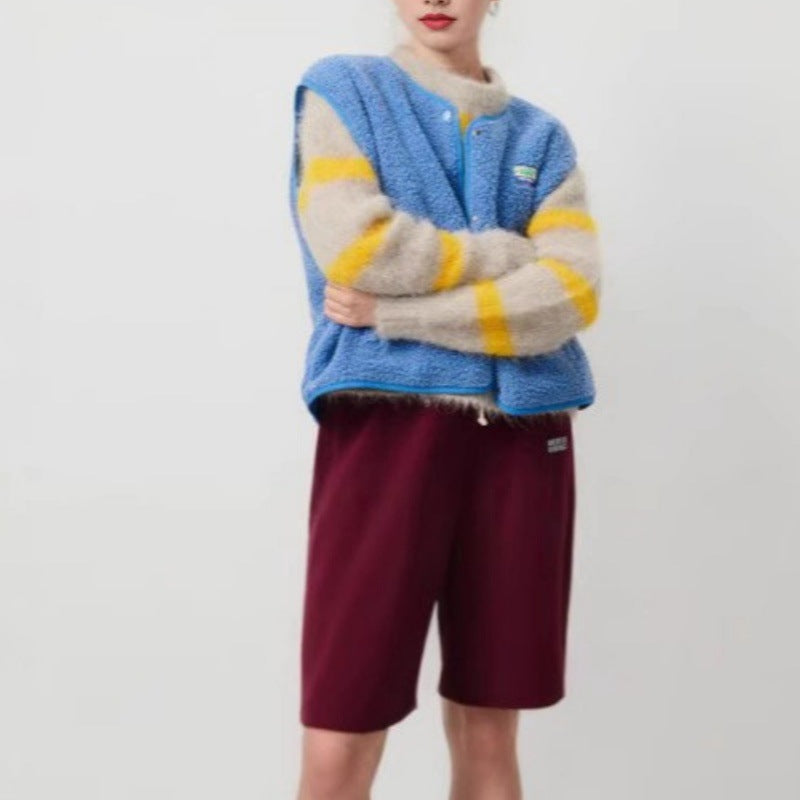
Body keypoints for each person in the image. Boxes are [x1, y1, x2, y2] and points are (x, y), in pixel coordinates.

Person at [287, 1, 603, 797]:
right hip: (386, 429)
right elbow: (358, 248)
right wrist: (510, 256)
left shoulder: (542, 138)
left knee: (492, 726)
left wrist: (398, 317)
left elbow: (569, 295)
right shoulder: (344, 93)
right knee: (342, 726)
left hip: (524, 435)